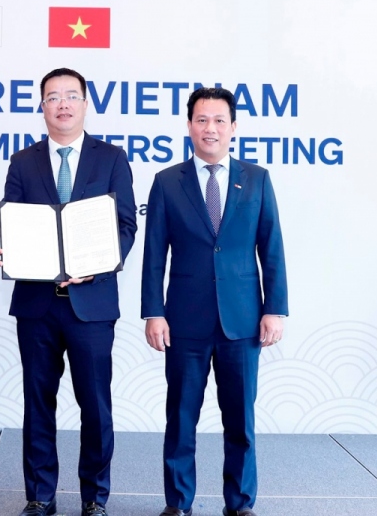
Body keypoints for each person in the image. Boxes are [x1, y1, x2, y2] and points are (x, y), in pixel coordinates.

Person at [141, 87, 288, 516]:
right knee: (181, 420)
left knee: (240, 421)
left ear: (234, 127)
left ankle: (240, 504)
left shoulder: (256, 179)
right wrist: (154, 312)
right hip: (184, 321)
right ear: (189, 126)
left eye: (219, 120)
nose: (211, 128)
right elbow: (154, 255)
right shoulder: (167, 182)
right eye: (202, 119)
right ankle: (178, 504)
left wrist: (274, 309)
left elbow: (272, 247)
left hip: (242, 321)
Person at [0, 68, 137, 516]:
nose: (62, 103)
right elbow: (13, 222)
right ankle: (40, 496)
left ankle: (95, 497)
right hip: (37, 305)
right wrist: (12, 252)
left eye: (71, 95)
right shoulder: (22, 162)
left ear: (85, 104)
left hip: (92, 304)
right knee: (38, 403)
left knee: (95, 405)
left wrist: (94, 266)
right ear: (41, 106)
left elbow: (125, 226)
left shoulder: (111, 158)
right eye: (53, 96)